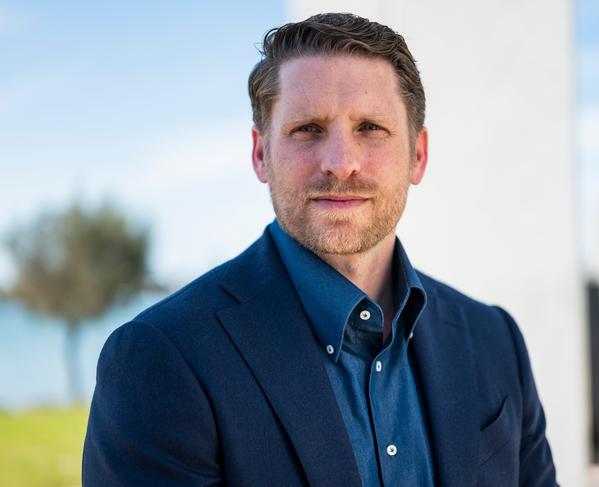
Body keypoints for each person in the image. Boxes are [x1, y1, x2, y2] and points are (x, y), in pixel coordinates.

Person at [83, 12, 558, 486]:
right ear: (260, 154)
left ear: (417, 154)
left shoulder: (495, 340)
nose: (340, 163)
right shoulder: (160, 359)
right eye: (308, 128)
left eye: (370, 127)